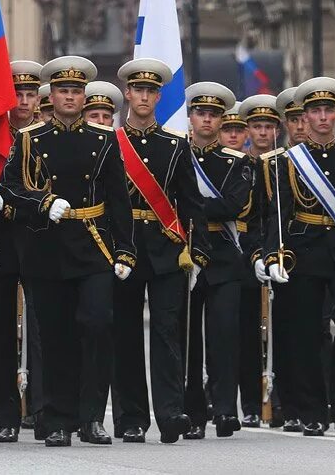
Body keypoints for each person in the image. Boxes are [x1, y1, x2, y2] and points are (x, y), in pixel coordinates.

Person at [0, 56, 135, 447]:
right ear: (52, 95)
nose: (70, 97)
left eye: (76, 91)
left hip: (93, 245)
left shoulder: (103, 138)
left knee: (97, 325)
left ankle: (92, 417)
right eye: (63, 91)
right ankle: (58, 418)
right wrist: (42, 203)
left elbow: (118, 200)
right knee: (55, 335)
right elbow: (10, 189)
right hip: (47, 248)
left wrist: (125, 250)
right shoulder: (29, 138)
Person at [263, 77, 335, 436]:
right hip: (303, 253)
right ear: (307, 116)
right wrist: (272, 256)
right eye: (316, 111)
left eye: (328, 110)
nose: (323, 117)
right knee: (307, 334)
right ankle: (315, 411)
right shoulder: (288, 162)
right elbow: (277, 215)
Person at [109, 59, 209, 444]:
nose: (145, 97)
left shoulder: (175, 145)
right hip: (125, 248)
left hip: (168, 251)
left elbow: (191, 203)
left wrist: (197, 252)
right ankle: (131, 417)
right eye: (139, 91)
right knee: (127, 333)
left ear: (158, 96)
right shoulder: (110, 143)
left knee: (168, 333)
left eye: (152, 91)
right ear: (128, 95)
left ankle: (170, 413)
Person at [0, 60, 45, 443]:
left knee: (41, 328)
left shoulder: (46, 136)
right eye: (16, 94)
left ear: (39, 99)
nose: (23, 100)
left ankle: (40, 407)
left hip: (37, 239)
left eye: (30, 94)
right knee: (0, 329)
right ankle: (6, 413)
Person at [182, 82, 254, 439]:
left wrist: (191, 204)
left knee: (224, 337)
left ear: (221, 120)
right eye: (201, 113)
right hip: (186, 255)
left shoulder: (237, 163)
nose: (207, 120)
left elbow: (231, 206)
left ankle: (226, 409)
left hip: (224, 257)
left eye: (213, 115)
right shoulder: (178, 154)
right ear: (191, 117)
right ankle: (193, 411)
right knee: (189, 339)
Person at [236, 94, 281, 428]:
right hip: (247, 255)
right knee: (249, 334)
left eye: (268, 127)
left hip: (281, 255)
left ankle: (278, 400)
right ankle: (251, 402)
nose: (263, 133)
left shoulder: (286, 165)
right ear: (248, 129)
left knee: (281, 334)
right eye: (257, 126)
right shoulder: (240, 166)